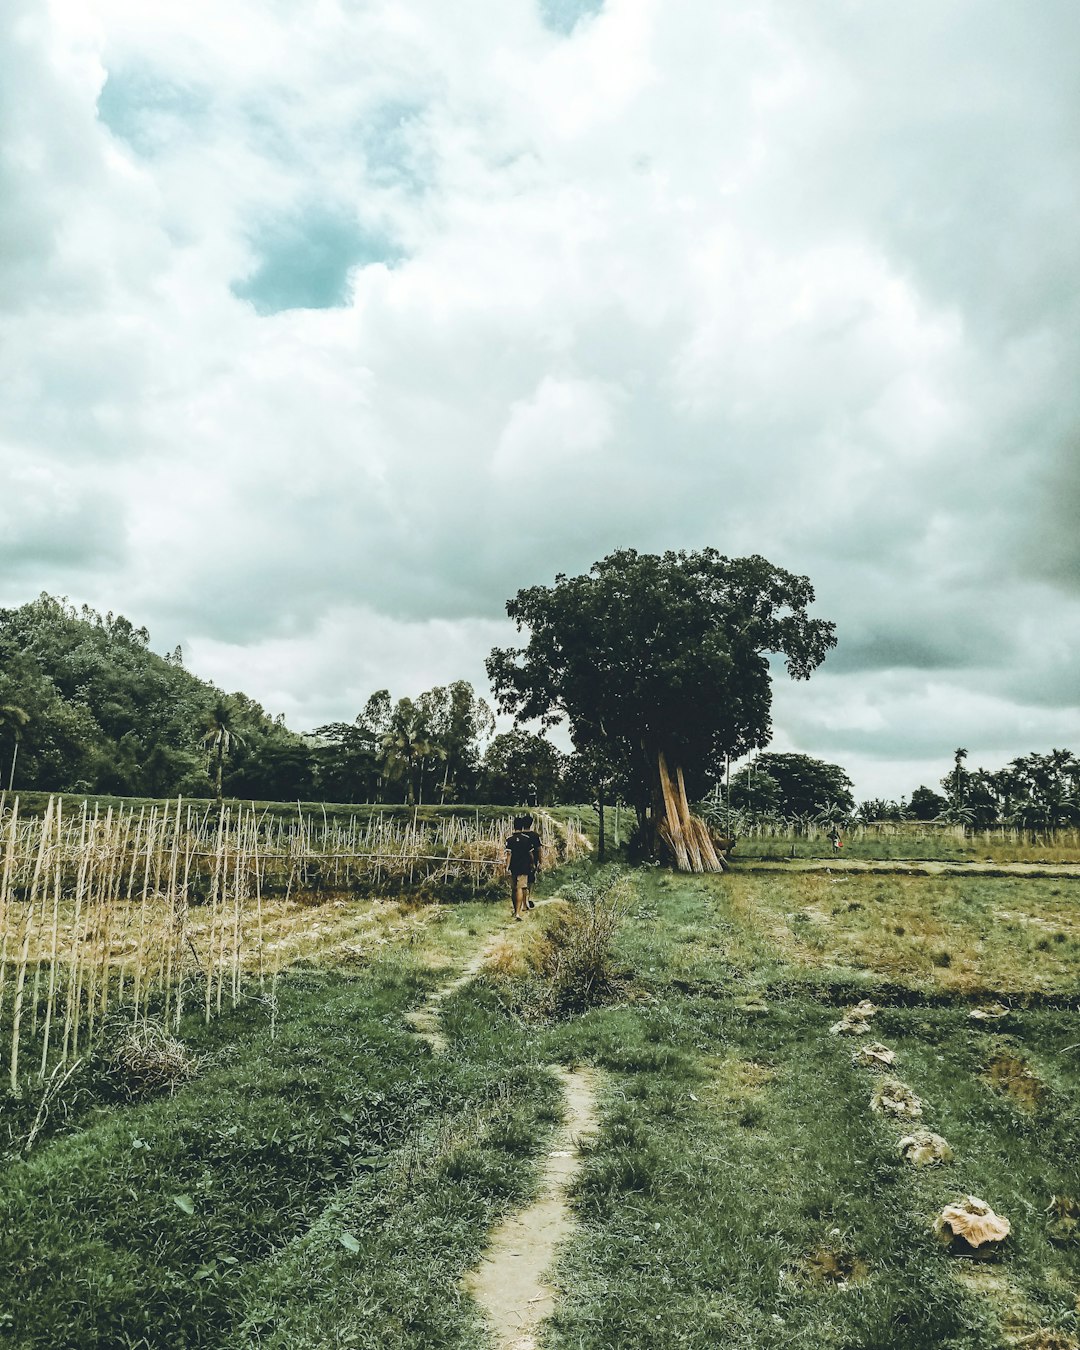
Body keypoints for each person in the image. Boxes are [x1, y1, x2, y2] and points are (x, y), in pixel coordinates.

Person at [505, 813, 542, 920]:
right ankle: (518, 911)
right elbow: (532, 853)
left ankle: (515, 909)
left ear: (513, 826)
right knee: (521, 887)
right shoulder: (528, 839)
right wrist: (533, 863)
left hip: (513, 867)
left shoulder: (509, 839)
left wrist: (507, 867)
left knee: (514, 889)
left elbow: (508, 854)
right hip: (524, 866)